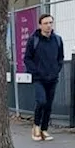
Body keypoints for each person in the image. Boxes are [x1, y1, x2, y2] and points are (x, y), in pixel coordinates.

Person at [23, 13, 64, 141]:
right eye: (45, 23)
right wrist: (35, 72)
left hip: (52, 77)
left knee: (49, 104)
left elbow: (60, 58)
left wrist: (56, 70)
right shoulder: (33, 40)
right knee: (41, 101)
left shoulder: (57, 40)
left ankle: (44, 129)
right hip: (39, 78)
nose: (48, 26)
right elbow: (27, 58)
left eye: (50, 23)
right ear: (40, 25)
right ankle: (36, 126)